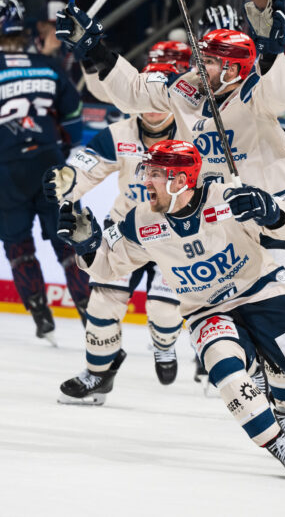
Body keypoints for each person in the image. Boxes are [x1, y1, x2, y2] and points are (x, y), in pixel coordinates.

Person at [55, 139, 285, 480]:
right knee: (229, 376)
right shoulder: (140, 220)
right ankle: (278, 444)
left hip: (265, 295)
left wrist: (271, 211)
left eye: (154, 173)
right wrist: (87, 245)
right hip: (206, 312)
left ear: (180, 179)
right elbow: (108, 265)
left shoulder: (229, 196)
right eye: (147, 172)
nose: (145, 181)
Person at [59, 0, 285, 444]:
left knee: (280, 313)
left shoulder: (256, 90)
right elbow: (133, 89)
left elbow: (283, 96)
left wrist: (273, 52)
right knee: (223, 306)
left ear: (237, 69)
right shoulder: (185, 88)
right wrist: (94, 49)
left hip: (268, 215)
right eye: (201, 56)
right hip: (217, 213)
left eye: (214, 60)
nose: (201, 65)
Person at [0, 0, 89, 343]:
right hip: (50, 163)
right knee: (70, 244)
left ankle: (40, 313)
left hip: (7, 170)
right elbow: (74, 118)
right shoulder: (50, 66)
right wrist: (61, 150)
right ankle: (92, 317)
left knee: (18, 246)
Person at [48, 61, 184, 400]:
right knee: (102, 304)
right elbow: (84, 169)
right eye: (145, 98)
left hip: (180, 233)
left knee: (164, 310)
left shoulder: (196, 131)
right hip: (127, 227)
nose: (152, 108)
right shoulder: (118, 134)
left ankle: (164, 344)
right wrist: (65, 183)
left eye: (160, 98)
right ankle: (98, 375)